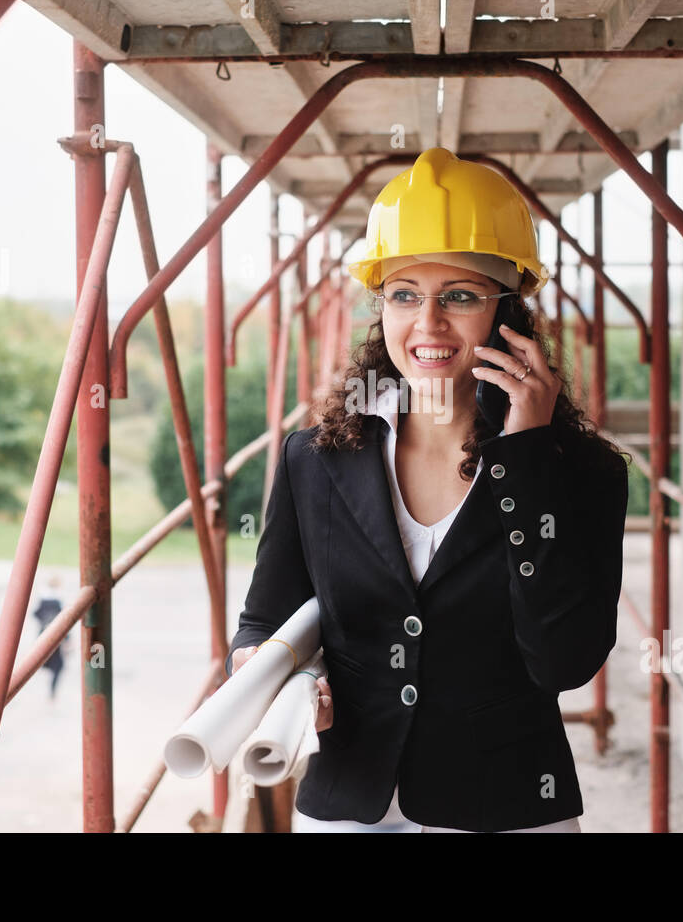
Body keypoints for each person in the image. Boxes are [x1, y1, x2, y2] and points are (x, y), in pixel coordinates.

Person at [228, 147, 630, 832]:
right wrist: (286, 680)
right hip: (349, 803)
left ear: (511, 312)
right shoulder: (316, 459)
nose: (428, 324)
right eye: (405, 295)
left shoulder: (581, 471)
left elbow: (565, 661)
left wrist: (526, 455)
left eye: (461, 296)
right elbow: (263, 624)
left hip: (504, 804)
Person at [32, 574, 68, 699]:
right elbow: (64, 621)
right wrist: (67, 640)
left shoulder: (43, 600)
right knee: (58, 666)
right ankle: (52, 691)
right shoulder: (57, 602)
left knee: (40, 662)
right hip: (55, 638)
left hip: (42, 636)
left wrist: (44, 623)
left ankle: (50, 691)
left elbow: (35, 614)